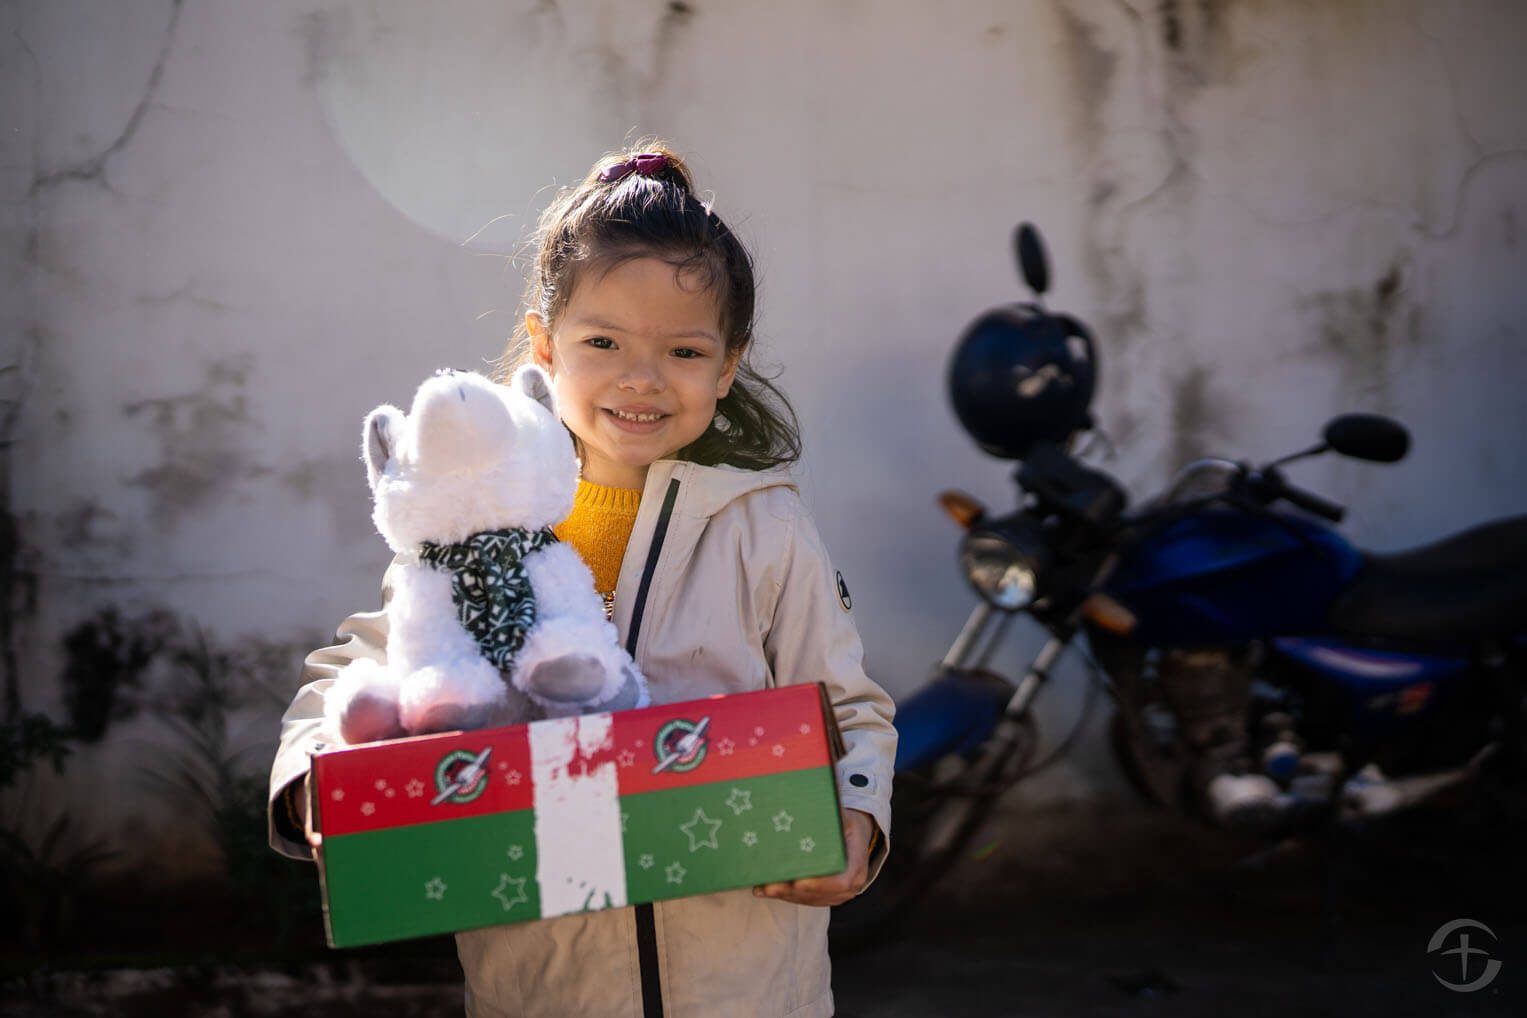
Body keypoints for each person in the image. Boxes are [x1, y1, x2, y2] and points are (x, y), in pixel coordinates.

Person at [267, 143, 896, 1018]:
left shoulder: (763, 524)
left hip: (746, 984)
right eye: (602, 342)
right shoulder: (472, 519)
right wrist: (316, 775)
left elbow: (848, 708)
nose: (640, 379)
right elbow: (357, 670)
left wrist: (854, 816)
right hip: (543, 982)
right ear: (544, 345)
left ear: (726, 365)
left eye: (682, 350)